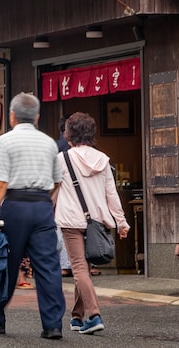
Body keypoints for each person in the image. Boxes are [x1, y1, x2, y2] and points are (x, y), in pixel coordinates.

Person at [0, 93, 65, 340]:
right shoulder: (49, 142)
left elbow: (1, 183)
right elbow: (57, 181)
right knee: (48, 266)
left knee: (4, 261)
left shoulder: (5, 141)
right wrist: (42, 199)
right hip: (42, 206)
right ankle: (53, 324)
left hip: (15, 205)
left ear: (12, 116)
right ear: (37, 117)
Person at [55, 112, 130, 335]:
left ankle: (94, 315)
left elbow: (53, 191)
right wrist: (121, 222)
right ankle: (77, 317)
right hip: (96, 222)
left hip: (70, 220)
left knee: (78, 268)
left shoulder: (62, 159)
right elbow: (112, 195)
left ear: (69, 134)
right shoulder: (103, 160)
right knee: (83, 269)